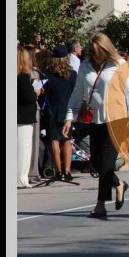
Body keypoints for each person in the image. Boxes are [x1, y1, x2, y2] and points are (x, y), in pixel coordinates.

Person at [63, 33, 129, 218]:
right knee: (96, 163)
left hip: (117, 118)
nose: (95, 56)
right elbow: (77, 92)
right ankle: (119, 184)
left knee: (106, 162)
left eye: (98, 52)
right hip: (94, 118)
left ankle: (100, 205)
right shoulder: (85, 66)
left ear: (106, 50)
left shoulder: (119, 64)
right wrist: (69, 117)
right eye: (92, 52)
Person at [44, 45, 78, 181]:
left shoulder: (47, 74)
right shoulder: (72, 74)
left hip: (52, 110)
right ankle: (67, 171)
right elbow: (75, 93)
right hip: (67, 110)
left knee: (54, 140)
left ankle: (58, 171)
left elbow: (45, 93)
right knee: (67, 139)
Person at [18, 46, 39, 188]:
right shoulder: (23, 76)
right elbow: (28, 97)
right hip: (24, 117)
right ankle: (21, 179)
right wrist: (35, 93)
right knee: (24, 149)